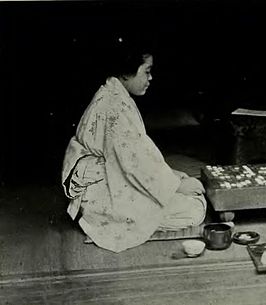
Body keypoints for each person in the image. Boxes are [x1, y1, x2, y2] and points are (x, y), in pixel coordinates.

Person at [61, 39, 207, 252]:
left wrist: (173, 177)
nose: (150, 78)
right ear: (127, 72)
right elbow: (134, 164)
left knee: (189, 192)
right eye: (146, 71)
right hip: (103, 193)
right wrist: (176, 185)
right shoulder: (114, 106)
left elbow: (137, 156)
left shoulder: (114, 95)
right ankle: (108, 218)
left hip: (110, 179)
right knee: (194, 208)